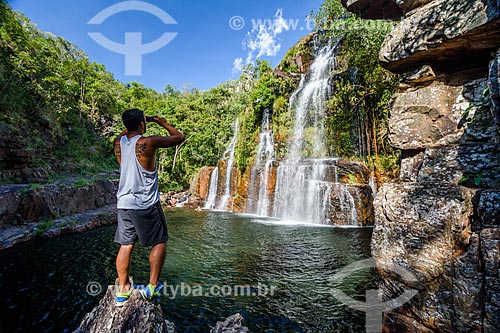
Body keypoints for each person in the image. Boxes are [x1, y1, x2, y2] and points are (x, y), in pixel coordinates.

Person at [112, 108, 184, 306]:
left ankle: (123, 290)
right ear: (142, 124)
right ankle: (152, 286)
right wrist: (160, 121)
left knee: (126, 245)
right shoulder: (148, 142)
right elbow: (179, 137)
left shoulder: (118, 143)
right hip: (145, 203)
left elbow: (126, 132)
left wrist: (138, 123)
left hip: (123, 203)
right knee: (160, 240)